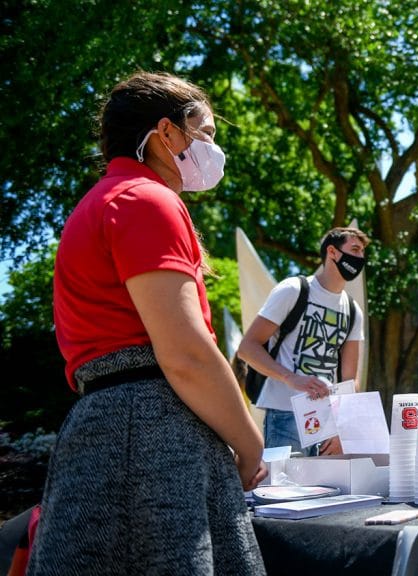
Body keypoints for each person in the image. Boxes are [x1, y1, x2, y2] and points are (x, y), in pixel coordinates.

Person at [33, 71, 267, 575]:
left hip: (112, 424)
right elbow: (186, 354)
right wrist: (250, 445)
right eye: (204, 133)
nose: (211, 148)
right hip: (151, 430)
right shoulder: (146, 200)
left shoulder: (104, 200)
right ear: (167, 133)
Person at [237, 227, 368, 456]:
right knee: (283, 491)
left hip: (328, 423)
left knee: (328, 492)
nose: (360, 258)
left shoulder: (353, 310)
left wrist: (342, 426)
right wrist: (291, 378)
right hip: (284, 416)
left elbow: (350, 379)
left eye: (363, 253)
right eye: (354, 249)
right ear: (332, 252)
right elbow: (247, 348)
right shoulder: (294, 290)